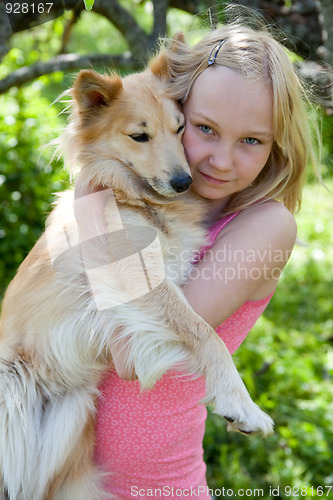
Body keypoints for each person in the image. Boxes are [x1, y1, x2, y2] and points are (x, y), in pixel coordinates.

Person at [93, 23, 318, 498]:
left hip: (155, 487)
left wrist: (87, 199)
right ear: (172, 108)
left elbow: (131, 352)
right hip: (57, 472)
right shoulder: (142, 200)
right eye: (205, 129)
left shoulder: (265, 226)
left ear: (278, 143)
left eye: (251, 141)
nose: (219, 160)